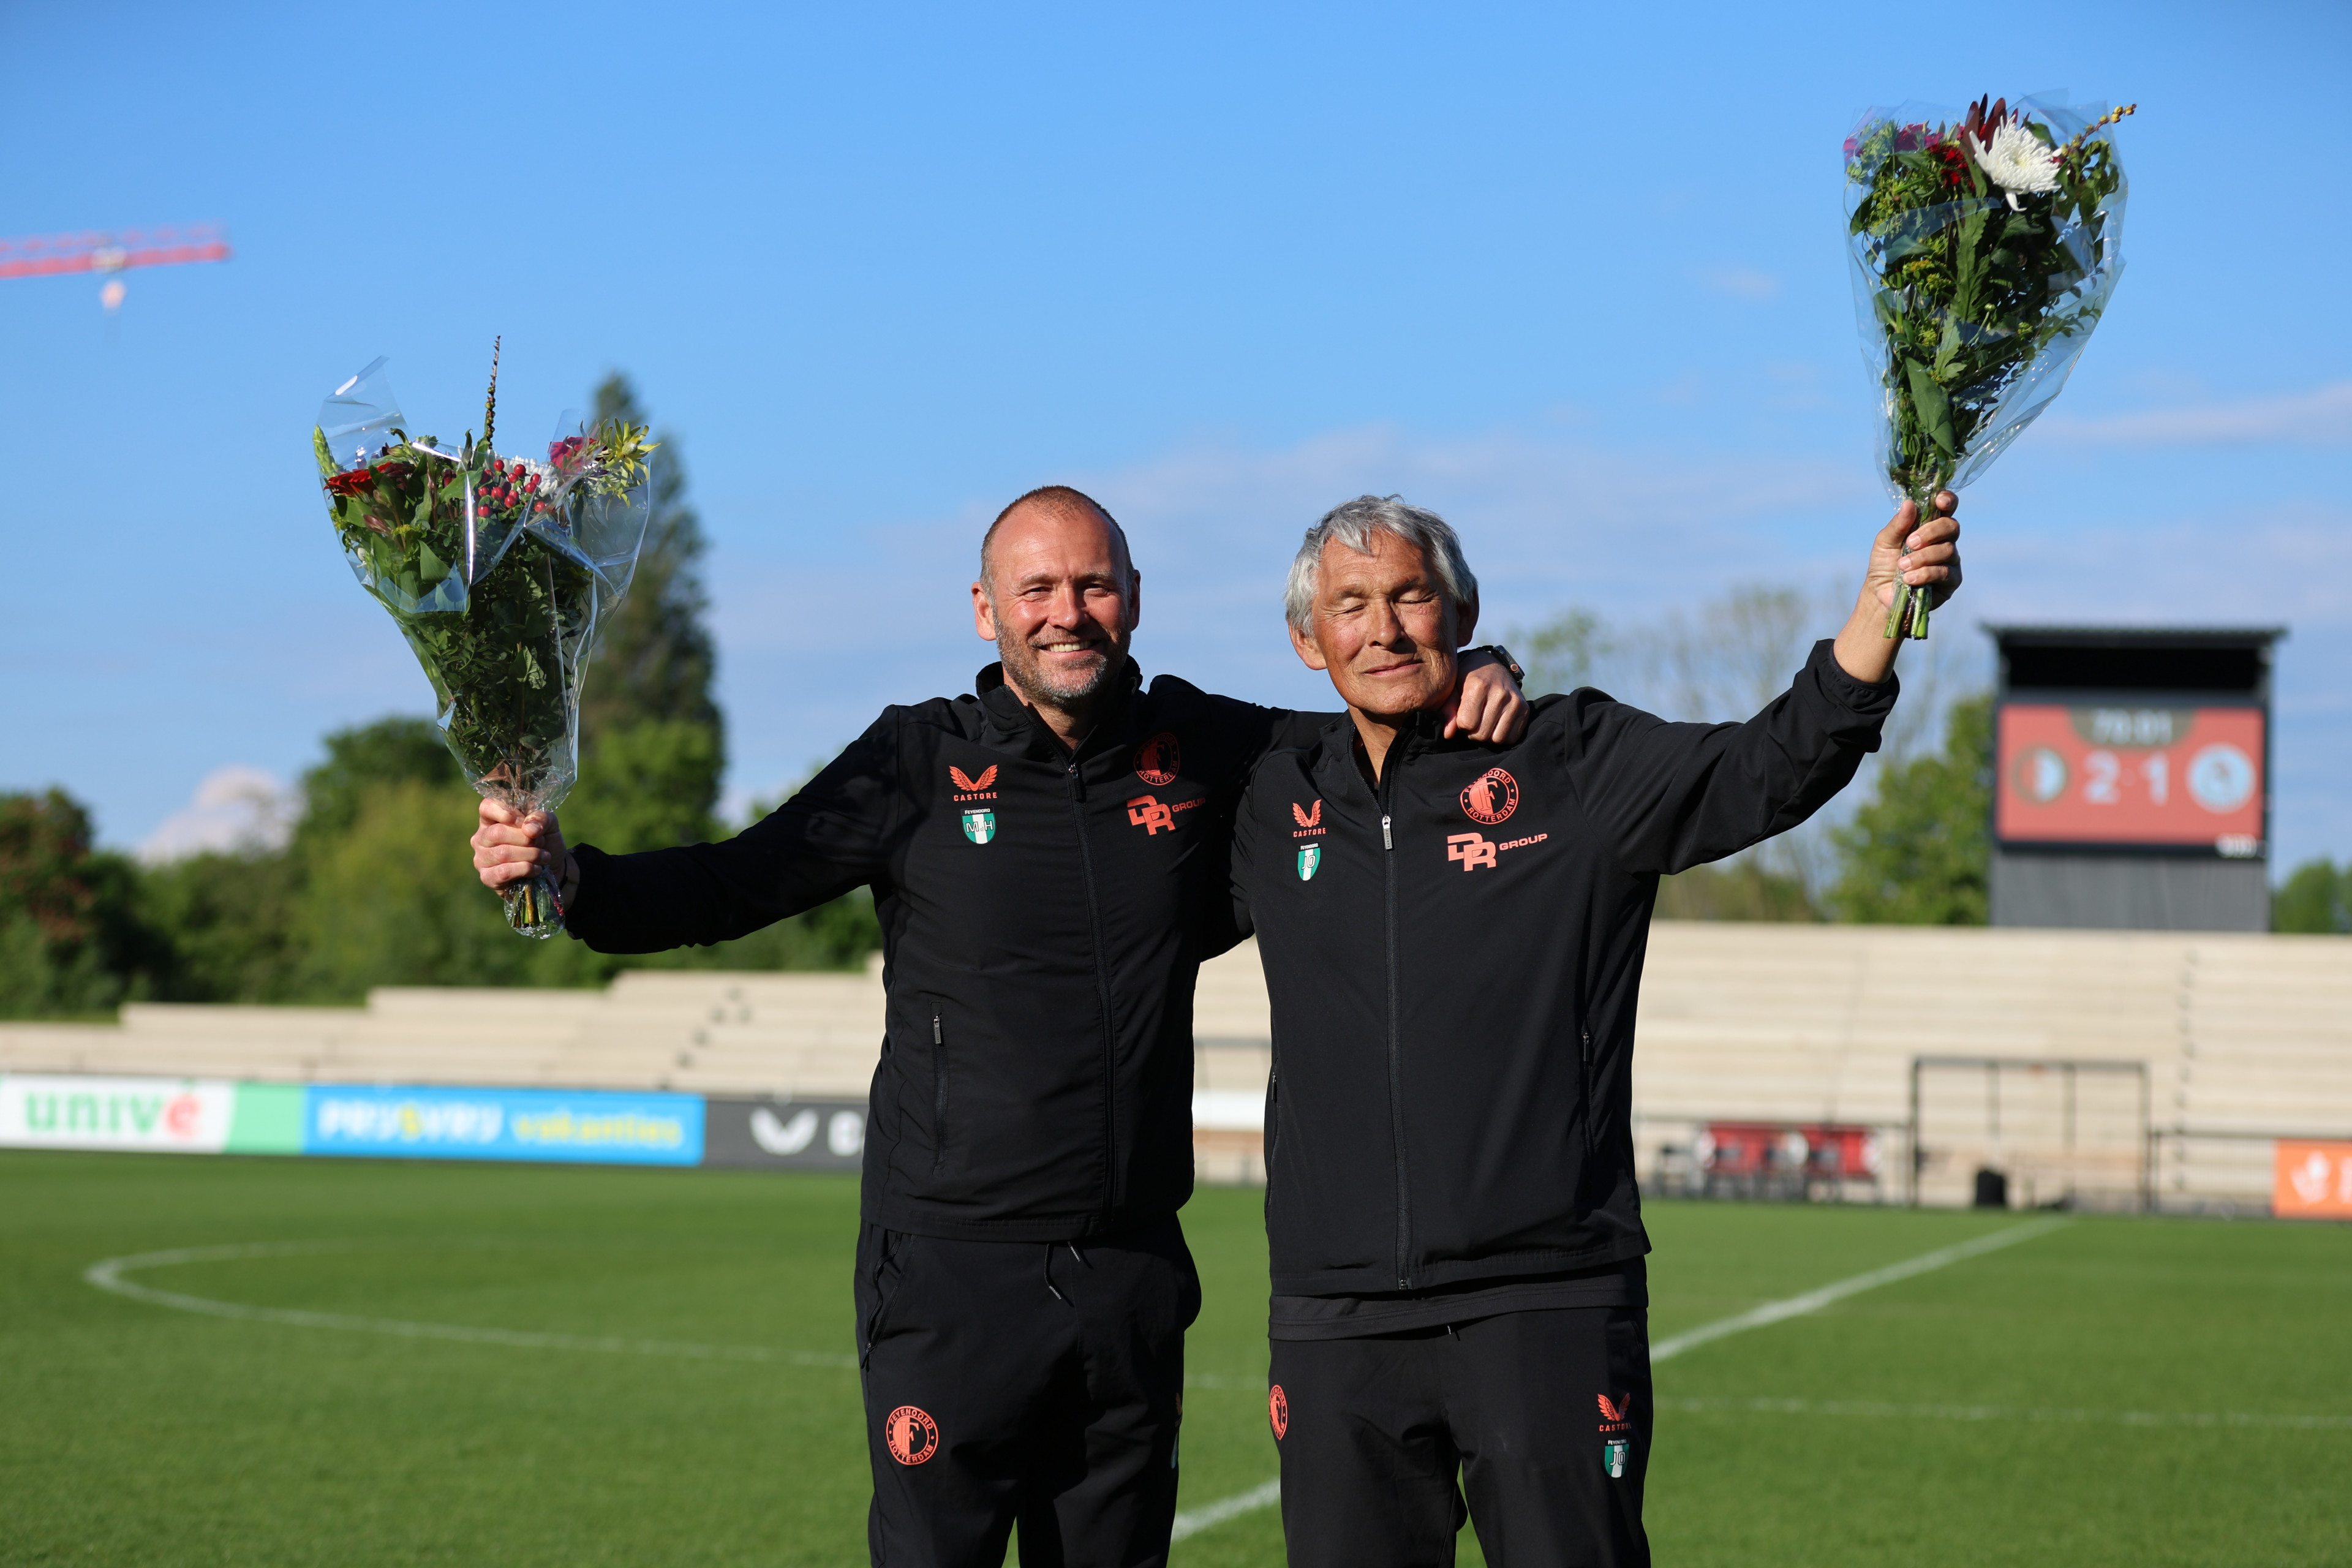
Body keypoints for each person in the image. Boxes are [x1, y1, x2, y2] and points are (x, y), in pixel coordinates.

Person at [470, 485, 1529, 1567]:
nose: (1067, 612)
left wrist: (1481, 670)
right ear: (986, 610)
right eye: (1037, 589)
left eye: (1094, 586)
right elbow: (730, 884)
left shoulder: (1212, 747)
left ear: (1133, 600)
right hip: (950, 1273)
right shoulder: (913, 760)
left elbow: (1375, 723)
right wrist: (573, 879)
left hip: (1129, 1273)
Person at [1227, 491, 1961, 1567]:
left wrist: (1880, 612)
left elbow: (1770, 766)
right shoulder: (1266, 791)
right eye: (1349, 606)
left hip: (1545, 1300)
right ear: (1307, 640)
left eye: (1410, 597)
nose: (1382, 629)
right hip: (1335, 1316)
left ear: (1462, 611)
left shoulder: (1570, 759)